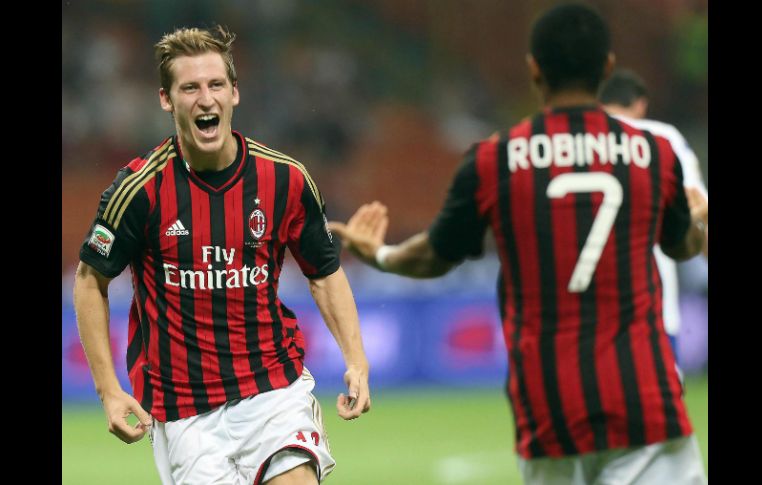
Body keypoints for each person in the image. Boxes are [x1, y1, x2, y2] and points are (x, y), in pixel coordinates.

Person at [330, 4, 707, 484]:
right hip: (643, 399)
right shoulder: (654, 154)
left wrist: (377, 253)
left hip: (548, 409)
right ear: (607, 66)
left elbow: (431, 257)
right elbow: (683, 248)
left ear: (533, 69)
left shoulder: (495, 158)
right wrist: (694, 219)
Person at [73, 25, 371, 485]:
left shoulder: (285, 180)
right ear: (166, 100)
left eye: (215, 85)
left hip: (273, 390)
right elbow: (89, 282)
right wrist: (108, 391)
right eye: (189, 87)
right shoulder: (138, 190)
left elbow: (325, 273)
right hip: (183, 411)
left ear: (235, 93)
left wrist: (356, 360)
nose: (205, 98)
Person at [600, 68, 708, 361]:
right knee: (657, 404)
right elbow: (697, 205)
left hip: (579, 314)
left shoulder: (564, 138)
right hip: (649, 308)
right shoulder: (661, 137)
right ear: (641, 104)